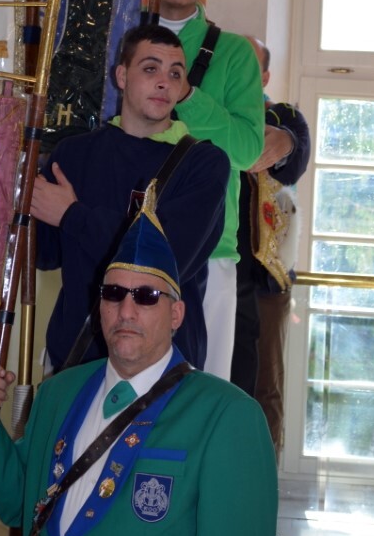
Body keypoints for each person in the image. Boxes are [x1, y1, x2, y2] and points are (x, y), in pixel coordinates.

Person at [0, 209, 278, 536]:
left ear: (176, 314)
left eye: (146, 296)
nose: (126, 310)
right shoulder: (57, 393)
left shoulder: (227, 417)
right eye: (113, 293)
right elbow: (19, 503)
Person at [33, 22, 229, 372]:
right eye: (151, 69)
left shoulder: (204, 164)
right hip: (76, 359)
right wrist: (19, 196)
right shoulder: (73, 154)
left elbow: (164, 260)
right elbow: (45, 255)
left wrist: (72, 215)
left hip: (162, 366)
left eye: (175, 74)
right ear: (121, 76)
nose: (164, 82)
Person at [158, 0, 265, 379]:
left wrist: (187, 96)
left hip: (211, 247)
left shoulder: (235, 53)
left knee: (199, 391)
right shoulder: (119, 34)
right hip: (119, 232)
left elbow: (247, 150)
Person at [231, 38, 310, 465]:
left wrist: (281, 139)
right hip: (212, 270)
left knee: (264, 387)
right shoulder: (209, 108)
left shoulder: (283, 117)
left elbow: (291, 156)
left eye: (249, 64)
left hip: (265, 277)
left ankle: (260, 487)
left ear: (264, 76)